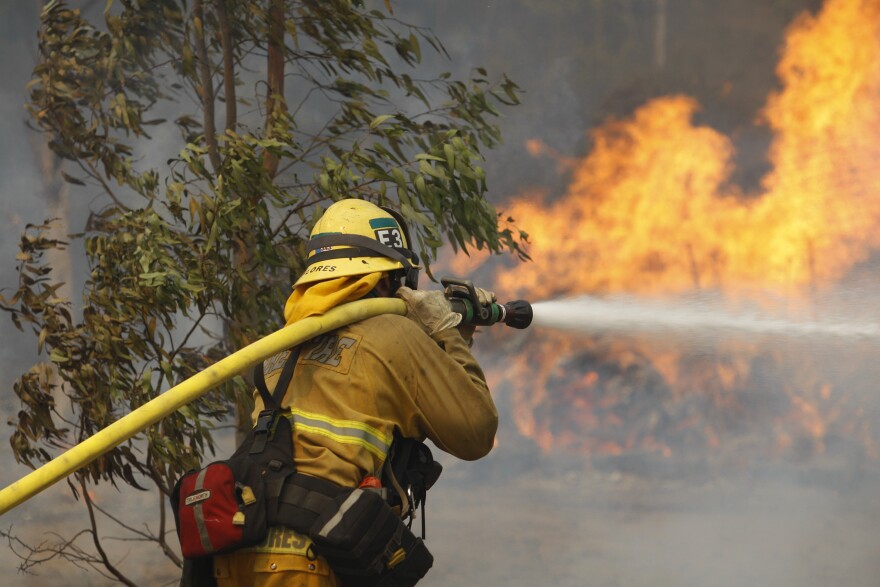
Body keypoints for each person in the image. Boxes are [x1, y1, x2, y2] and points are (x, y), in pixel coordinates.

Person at [212, 198, 499, 586]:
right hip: (317, 558)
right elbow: (475, 433)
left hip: (238, 555)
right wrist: (447, 333)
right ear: (385, 278)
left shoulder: (277, 348)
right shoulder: (396, 335)